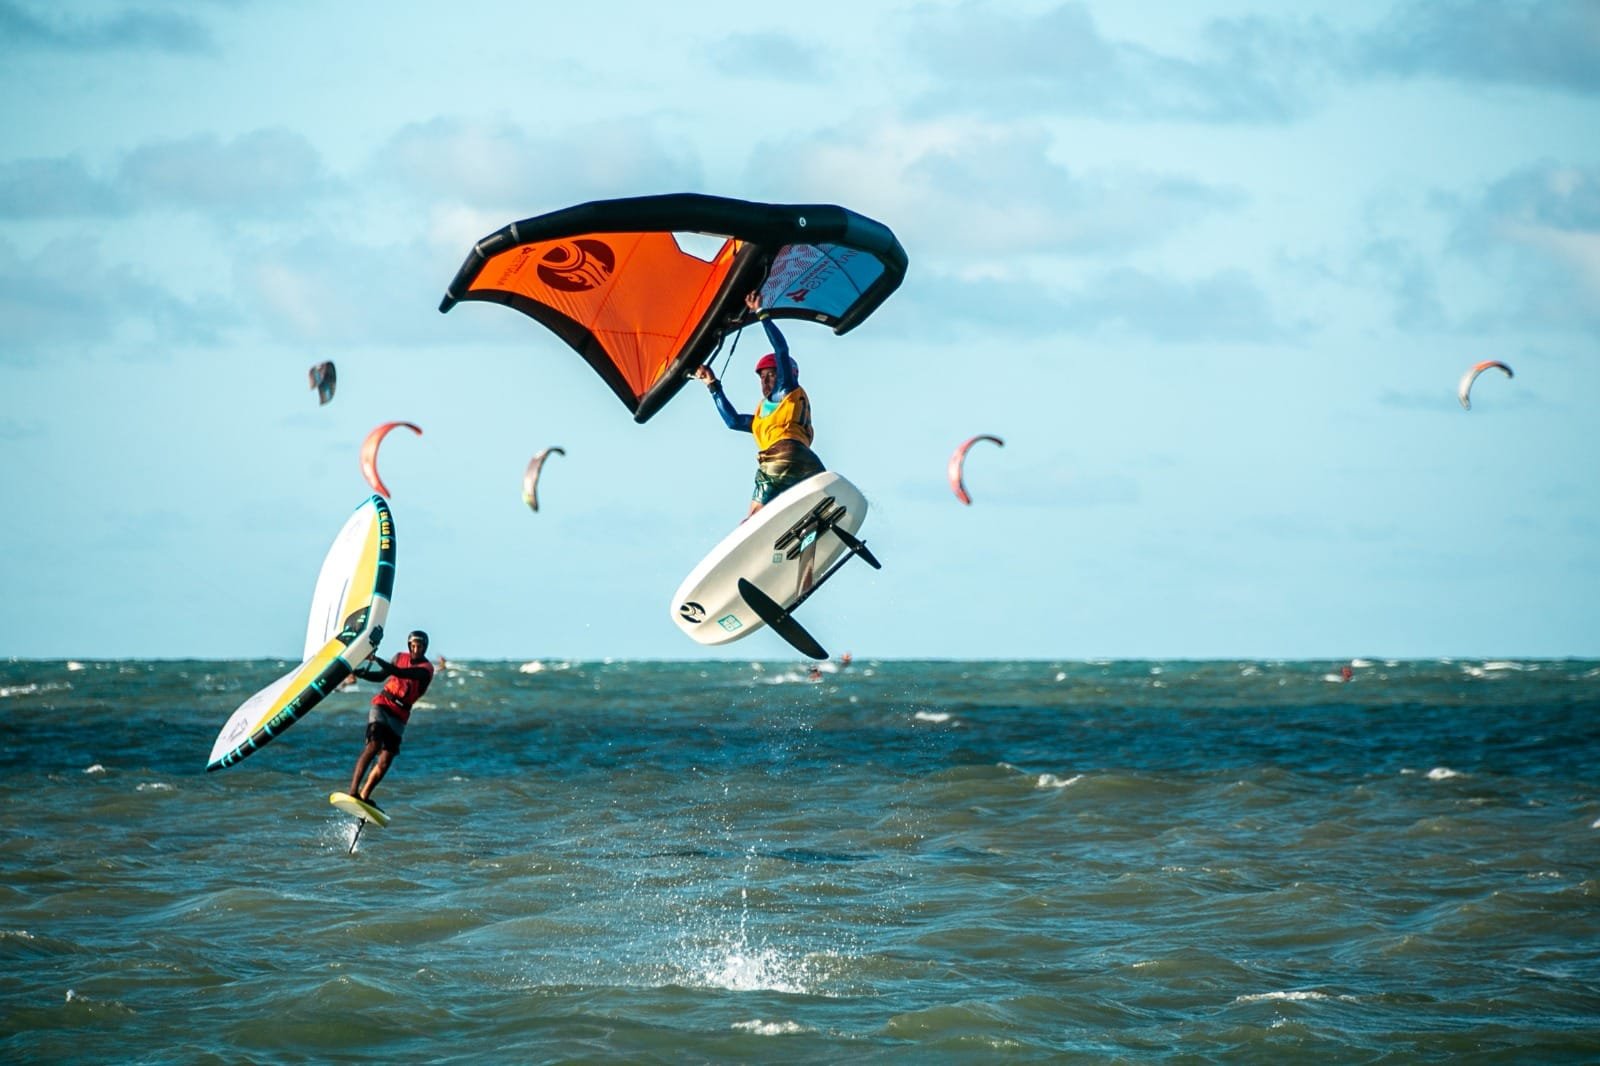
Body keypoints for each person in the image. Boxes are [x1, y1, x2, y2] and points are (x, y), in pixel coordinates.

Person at [693, 291, 825, 518]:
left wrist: (761, 313)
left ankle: (752, 530)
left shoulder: (786, 390)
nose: (765, 381)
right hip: (806, 461)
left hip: (777, 459)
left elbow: (781, 350)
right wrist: (712, 384)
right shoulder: (763, 416)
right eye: (762, 377)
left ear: (785, 374)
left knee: (755, 515)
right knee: (817, 502)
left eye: (771, 375)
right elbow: (733, 421)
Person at [347, 630, 435, 806]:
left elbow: (400, 673)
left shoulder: (426, 669)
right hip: (382, 704)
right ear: (409, 645)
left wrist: (376, 659)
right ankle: (353, 791)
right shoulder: (399, 657)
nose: (416, 649)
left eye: (419, 646)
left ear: (425, 648)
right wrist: (359, 673)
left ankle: (364, 796)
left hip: (400, 715)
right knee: (374, 745)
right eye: (413, 646)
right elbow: (381, 676)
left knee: (385, 760)